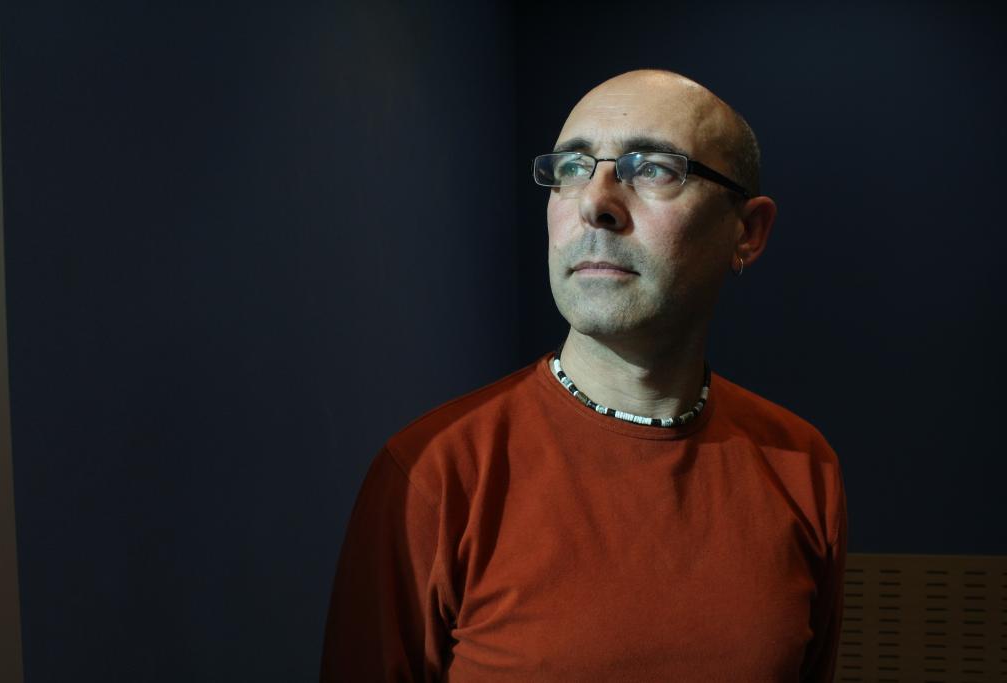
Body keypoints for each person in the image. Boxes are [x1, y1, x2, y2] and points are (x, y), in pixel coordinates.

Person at [321, 69, 846, 682]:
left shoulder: (802, 466)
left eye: (653, 169)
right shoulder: (434, 475)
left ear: (747, 232)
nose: (595, 203)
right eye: (572, 168)